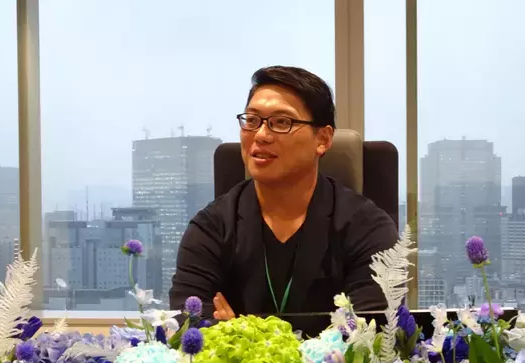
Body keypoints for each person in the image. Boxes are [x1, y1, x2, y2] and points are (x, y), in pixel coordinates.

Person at [169, 65, 398, 333]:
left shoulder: (367, 227)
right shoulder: (211, 227)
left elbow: (371, 335)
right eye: (252, 120)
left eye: (281, 122)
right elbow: (189, 328)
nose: (261, 135)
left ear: (323, 139)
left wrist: (239, 335)